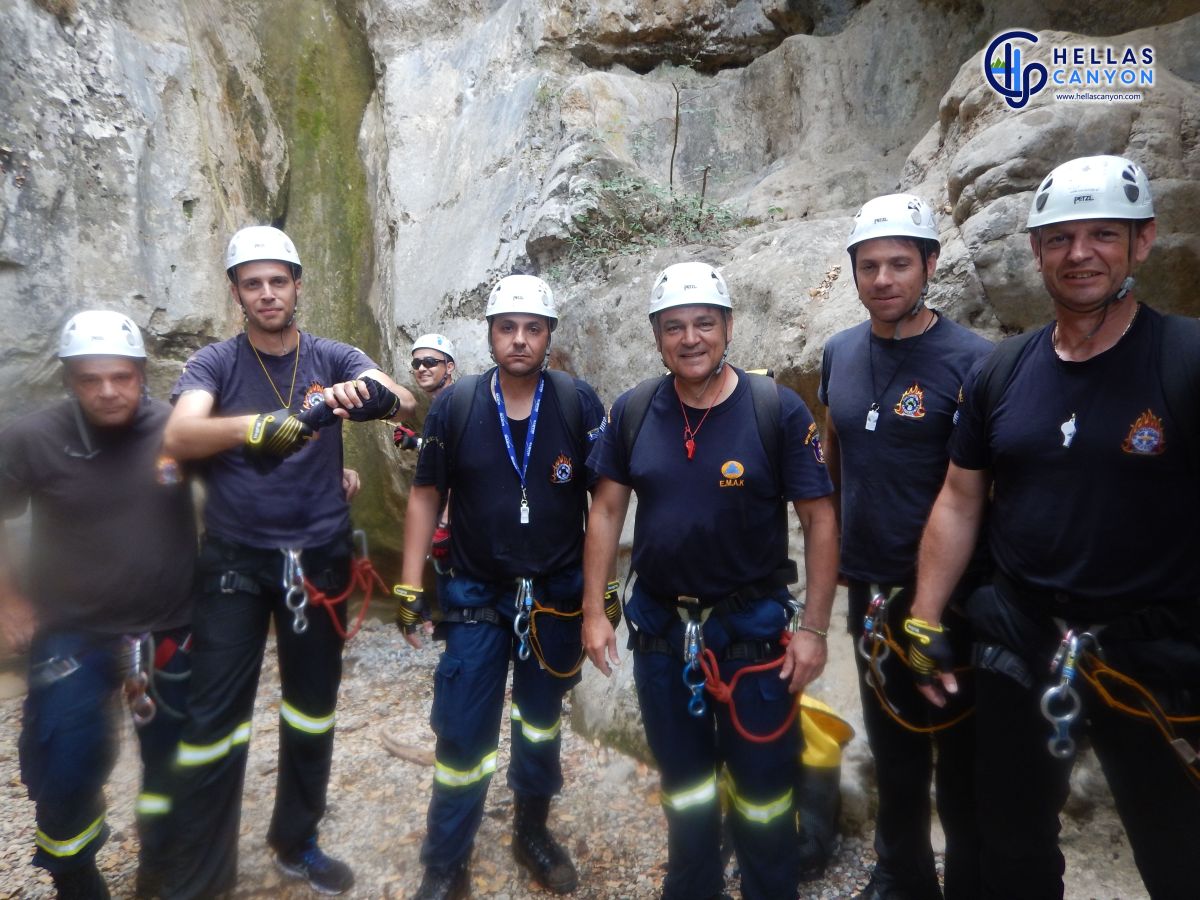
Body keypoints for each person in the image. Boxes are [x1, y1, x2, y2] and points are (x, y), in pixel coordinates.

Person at [907, 155, 1200, 899]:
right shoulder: (1002, 372)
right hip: (1025, 643)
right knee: (1012, 850)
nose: (1080, 254)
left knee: (1180, 854)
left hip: (1155, 654)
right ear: (1036, 250)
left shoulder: (1186, 360)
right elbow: (960, 499)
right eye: (1061, 238)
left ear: (1144, 241)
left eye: (1104, 233)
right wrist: (923, 616)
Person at [161, 225, 416, 898]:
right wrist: (254, 428)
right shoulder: (215, 364)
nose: (268, 294)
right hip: (235, 561)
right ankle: (201, 871)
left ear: (298, 285)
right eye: (254, 283)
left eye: (279, 280)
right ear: (237, 293)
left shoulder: (328, 356)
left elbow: (401, 396)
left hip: (319, 558)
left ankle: (296, 840)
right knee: (214, 719)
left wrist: (367, 395)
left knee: (310, 709)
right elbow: (181, 433)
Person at [582, 261, 840, 900]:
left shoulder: (773, 409)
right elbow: (607, 511)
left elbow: (819, 518)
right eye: (674, 327)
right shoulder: (636, 410)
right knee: (686, 786)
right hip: (664, 632)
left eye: (704, 323)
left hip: (751, 634)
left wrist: (813, 629)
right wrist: (594, 609)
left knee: (762, 794)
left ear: (728, 327)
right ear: (657, 336)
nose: (690, 338)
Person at [393, 274, 605, 900]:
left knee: (539, 722)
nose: (519, 340)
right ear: (488, 334)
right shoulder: (456, 405)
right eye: (507, 327)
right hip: (477, 596)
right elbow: (426, 493)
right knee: (462, 730)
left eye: (532, 329)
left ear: (548, 337)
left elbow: (606, 504)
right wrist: (409, 586)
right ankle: (445, 859)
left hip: (553, 597)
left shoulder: (575, 402)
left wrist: (599, 597)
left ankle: (531, 832)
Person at [819, 194, 992, 900]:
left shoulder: (972, 362)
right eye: (869, 266)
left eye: (899, 263)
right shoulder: (839, 353)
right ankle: (902, 874)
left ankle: (972, 879)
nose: (884, 279)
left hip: (956, 598)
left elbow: (985, 490)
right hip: (871, 590)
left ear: (930, 264)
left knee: (962, 753)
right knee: (893, 747)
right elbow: (833, 458)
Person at [0, 310, 196, 899]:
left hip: (167, 627)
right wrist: (8, 600)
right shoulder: (31, 438)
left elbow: (249, 482)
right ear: (68, 380)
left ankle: (161, 865)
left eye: (121, 376)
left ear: (141, 374)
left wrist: (330, 473)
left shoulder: (178, 431)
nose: (108, 390)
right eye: (90, 378)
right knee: (63, 762)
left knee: (171, 763)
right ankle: (75, 876)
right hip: (72, 631)